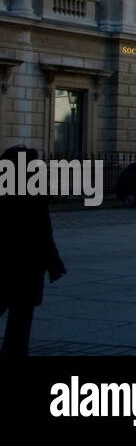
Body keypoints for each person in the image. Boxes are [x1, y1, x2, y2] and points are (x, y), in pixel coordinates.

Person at [0, 145, 67, 355]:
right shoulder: (34, 194)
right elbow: (43, 234)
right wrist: (54, 263)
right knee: (21, 319)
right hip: (27, 265)